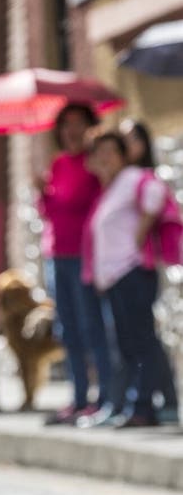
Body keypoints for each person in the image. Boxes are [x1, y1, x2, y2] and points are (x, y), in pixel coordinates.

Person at [82, 131, 175, 428]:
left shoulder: (134, 177)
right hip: (115, 278)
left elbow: (157, 194)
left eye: (110, 151)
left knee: (142, 341)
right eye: (99, 152)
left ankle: (144, 407)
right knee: (127, 345)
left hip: (133, 272)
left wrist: (140, 233)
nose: (104, 157)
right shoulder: (108, 189)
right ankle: (139, 403)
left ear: (124, 155)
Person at [35, 103, 113, 425]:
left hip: (85, 256)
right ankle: (79, 398)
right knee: (67, 330)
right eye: (66, 124)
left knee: (91, 327)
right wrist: (43, 193)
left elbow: (95, 209)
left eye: (79, 123)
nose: (72, 129)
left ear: (90, 126)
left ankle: (105, 397)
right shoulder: (58, 163)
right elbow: (52, 212)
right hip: (57, 256)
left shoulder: (95, 165)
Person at [118, 118, 179, 425]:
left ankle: (159, 402)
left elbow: (152, 209)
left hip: (140, 266)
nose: (126, 145)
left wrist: (135, 241)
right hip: (125, 269)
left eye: (131, 138)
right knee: (138, 338)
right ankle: (160, 400)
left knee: (144, 338)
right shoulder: (122, 178)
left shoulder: (144, 177)